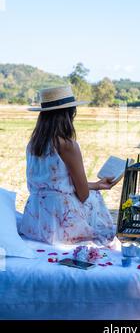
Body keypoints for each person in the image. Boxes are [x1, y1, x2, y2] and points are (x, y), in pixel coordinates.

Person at [20, 85, 118, 246]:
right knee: (94, 199)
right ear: (69, 113)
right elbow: (83, 195)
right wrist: (93, 190)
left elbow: (54, 186)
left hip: (35, 219)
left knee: (95, 193)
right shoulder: (67, 144)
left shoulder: (33, 144)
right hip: (60, 221)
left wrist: (96, 185)